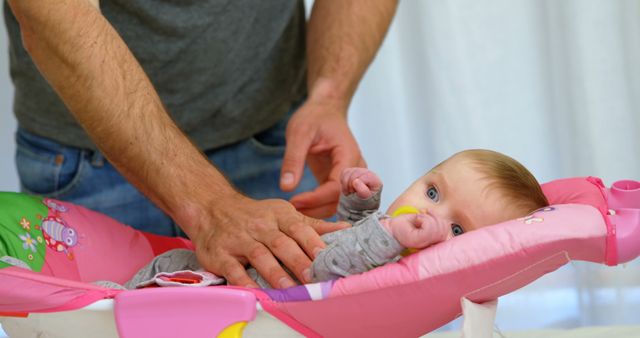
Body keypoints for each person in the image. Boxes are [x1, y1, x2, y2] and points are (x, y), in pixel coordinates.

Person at [3, 0, 398, 288]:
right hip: (88, 160)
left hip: (275, 141)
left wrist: (330, 94)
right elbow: (50, 12)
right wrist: (208, 204)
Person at [121, 149, 549, 288]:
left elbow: (329, 267)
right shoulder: (393, 237)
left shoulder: (405, 268)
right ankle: (106, 300)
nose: (427, 213)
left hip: (238, 287)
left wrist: (389, 234)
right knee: (167, 267)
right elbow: (348, 238)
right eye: (432, 191)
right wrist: (360, 203)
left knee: (167, 273)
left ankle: (103, 303)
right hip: (245, 266)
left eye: (457, 229)